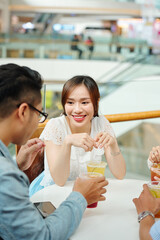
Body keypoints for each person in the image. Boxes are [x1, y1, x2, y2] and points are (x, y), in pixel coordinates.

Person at [0, 64, 108, 240]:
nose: (39, 122)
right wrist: (79, 196)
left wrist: (17, 165)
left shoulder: (7, 167)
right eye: (39, 113)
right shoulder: (5, 174)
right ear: (23, 112)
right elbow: (43, 236)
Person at [30, 75, 126, 196]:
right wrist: (67, 143)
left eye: (84, 102)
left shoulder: (101, 123)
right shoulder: (55, 126)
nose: (77, 109)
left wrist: (113, 145)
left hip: (87, 193)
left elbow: (120, 173)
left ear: (96, 102)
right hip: (53, 193)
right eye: (70, 102)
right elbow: (59, 181)